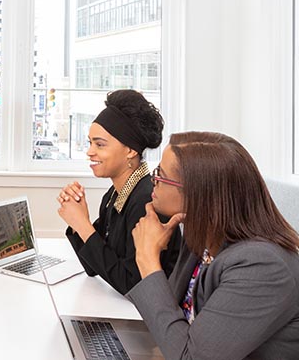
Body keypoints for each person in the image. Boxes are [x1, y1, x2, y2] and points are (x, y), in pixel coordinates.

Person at [128, 132, 299, 359]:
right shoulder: (200, 239)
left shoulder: (263, 267)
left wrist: (147, 259)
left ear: (198, 194)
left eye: (161, 175)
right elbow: (170, 324)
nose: (154, 180)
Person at [56, 90, 181, 294]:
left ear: (130, 150)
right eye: (90, 143)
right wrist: (78, 221)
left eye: (100, 144)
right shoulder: (115, 195)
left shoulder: (146, 202)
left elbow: (133, 285)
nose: (89, 152)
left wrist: (83, 225)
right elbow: (93, 266)